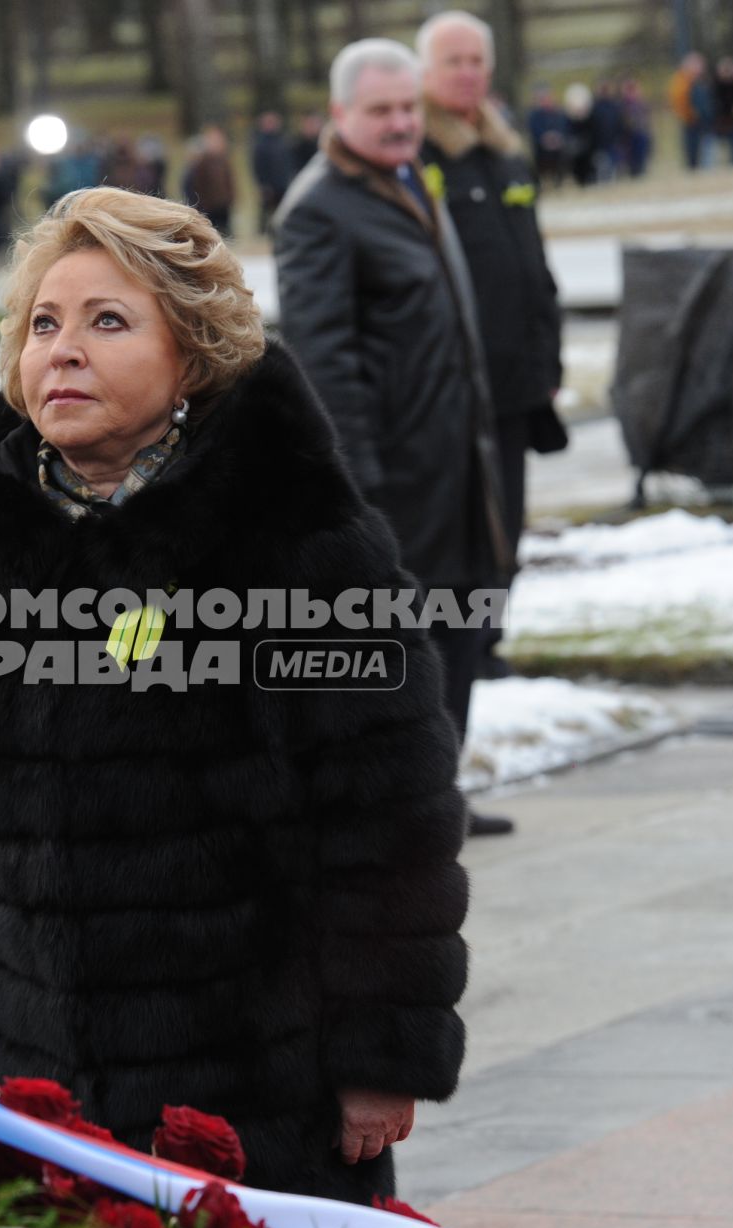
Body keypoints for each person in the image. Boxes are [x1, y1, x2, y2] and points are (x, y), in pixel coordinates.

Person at [0, 184, 471, 1204]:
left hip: (259, 1091)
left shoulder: (294, 538)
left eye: (109, 321)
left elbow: (388, 815)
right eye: (44, 324)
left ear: (191, 353)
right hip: (37, 1088)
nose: (64, 350)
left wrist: (381, 1048)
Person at [274, 39, 514, 839]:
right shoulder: (318, 208)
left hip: (458, 460)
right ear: (340, 115)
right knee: (400, 645)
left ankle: (436, 791)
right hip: (394, 477)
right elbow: (323, 360)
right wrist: (357, 484)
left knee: (463, 624)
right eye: (381, 111)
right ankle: (389, 809)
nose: (402, 123)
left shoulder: (412, 180)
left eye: (410, 107)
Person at [419, 10, 567, 713]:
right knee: (465, 528)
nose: (469, 73)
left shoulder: (503, 151)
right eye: (454, 61)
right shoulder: (421, 156)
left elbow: (532, 263)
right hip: (453, 389)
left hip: (515, 382)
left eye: (477, 60)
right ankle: (465, 644)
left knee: (507, 520)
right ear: (425, 72)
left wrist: (550, 351)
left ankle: (489, 637)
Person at [182, 124, 236, 236]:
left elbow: (229, 181)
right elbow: (195, 185)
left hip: (223, 204)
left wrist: (231, 197)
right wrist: (201, 204)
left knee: (226, 233)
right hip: (208, 206)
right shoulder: (201, 163)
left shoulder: (223, 161)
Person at [251, 109, 296, 232]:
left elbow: (288, 162)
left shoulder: (282, 141)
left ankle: (279, 230)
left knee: (282, 210)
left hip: (282, 183)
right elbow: (257, 166)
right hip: (268, 184)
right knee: (266, 211)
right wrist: (262, 184)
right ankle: (263, 231)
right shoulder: (260, 144)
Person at [670, 52, 708, 168]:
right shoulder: (681, 80)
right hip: (690, 121)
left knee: (704, 153)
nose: (701, 68)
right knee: (692, 154)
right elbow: (678, 101)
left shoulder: (700, 80)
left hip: (702, 121)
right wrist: (691, 113)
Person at [525, 83, 568, 185]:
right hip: (541, 146)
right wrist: (544, 138)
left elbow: (562, 127)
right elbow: (534, 129)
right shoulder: (534, 114)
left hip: (557, 145)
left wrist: (556, 137)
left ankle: (559, 181)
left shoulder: (557, 112)